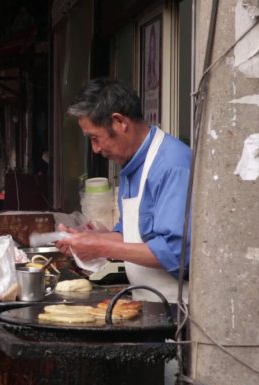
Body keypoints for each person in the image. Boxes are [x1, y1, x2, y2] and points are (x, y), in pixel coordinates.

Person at [56, 78, 191, 303]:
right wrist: (90, 239)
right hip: (146, 301)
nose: (96, 149)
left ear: (119, 122)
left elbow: (176, 251)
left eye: (95, 138)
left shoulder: (172, 164)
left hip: (179, 309)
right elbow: (129, 235)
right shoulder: (130, 166)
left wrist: (100, 246)